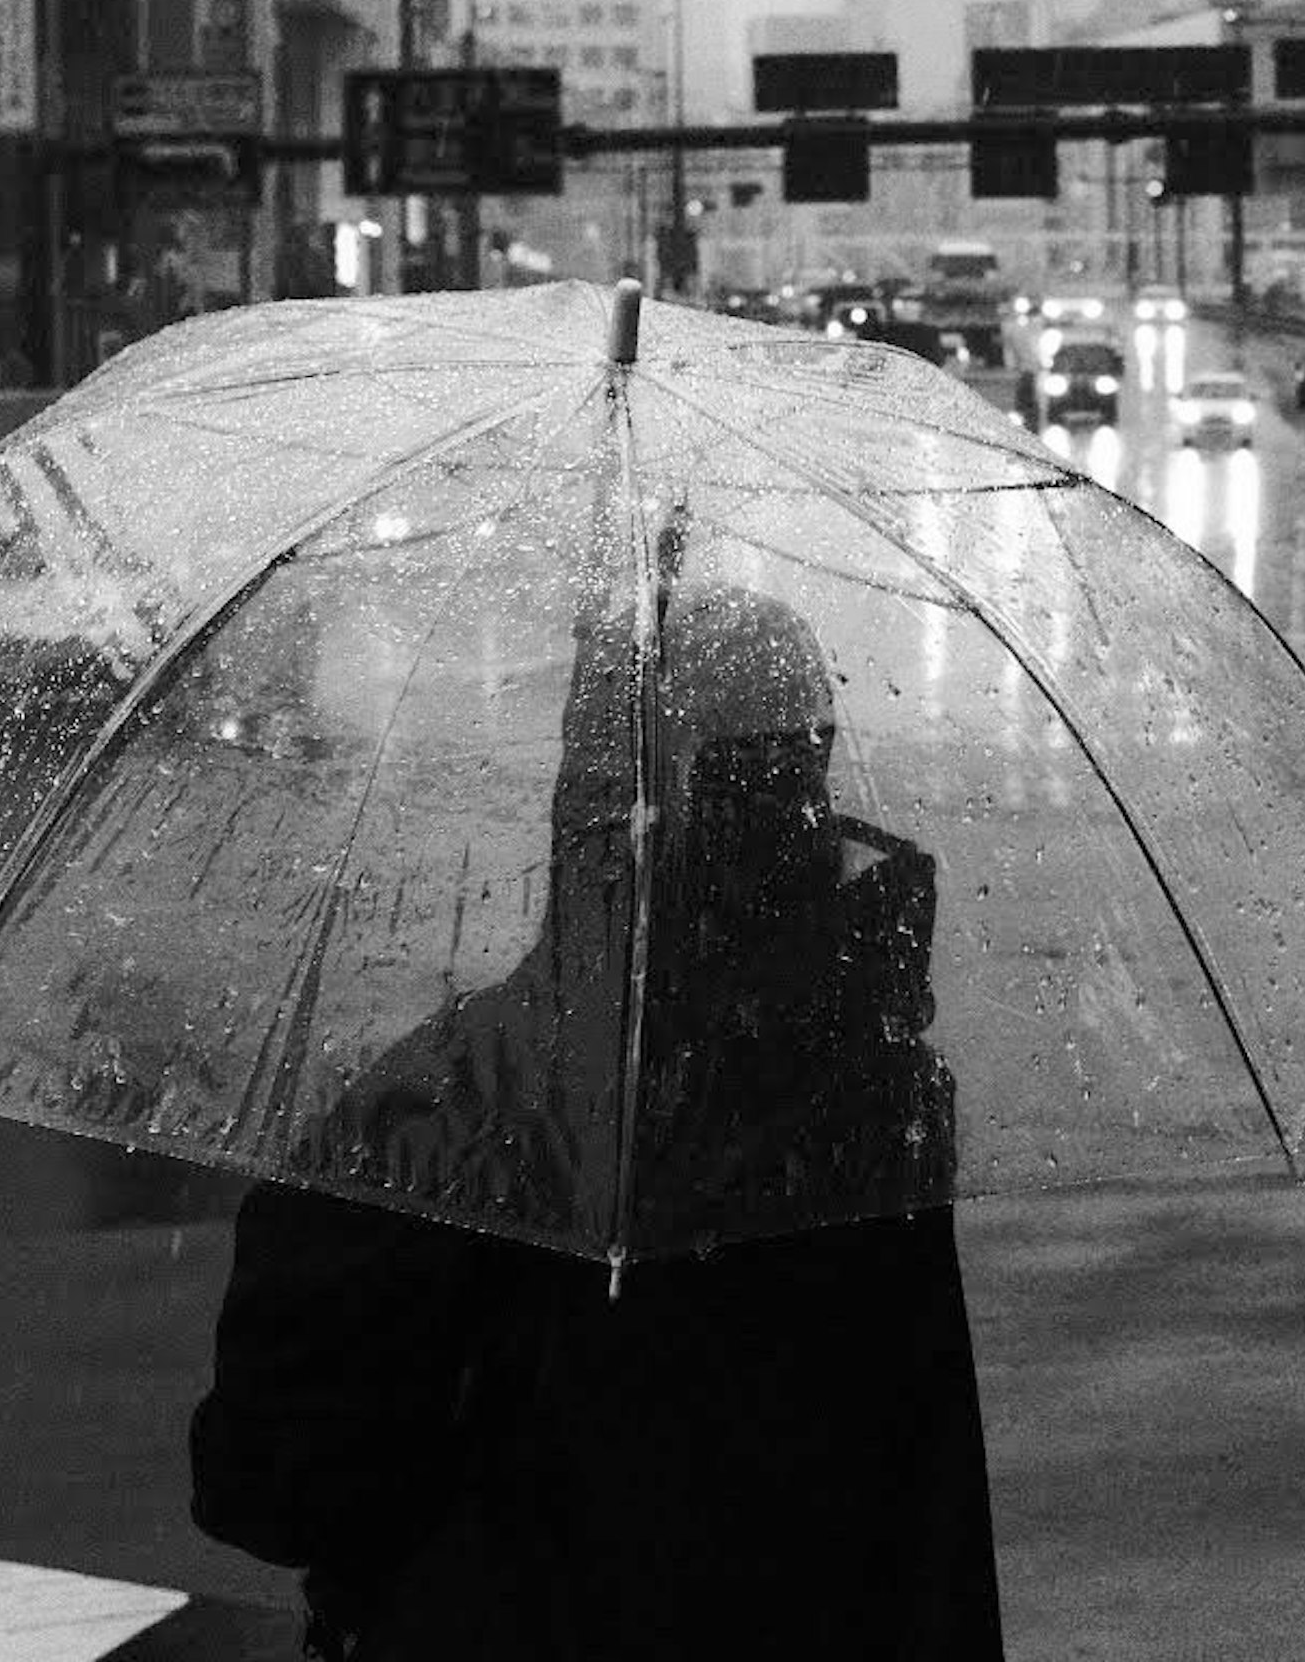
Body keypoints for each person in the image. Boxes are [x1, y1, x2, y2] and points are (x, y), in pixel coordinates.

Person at [189, 571, 1002, 1662]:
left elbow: (268, 1478)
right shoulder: (873, 1075)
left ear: (600, 789)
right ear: (810, 771)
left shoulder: (468, 1099)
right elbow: (909, 1502)